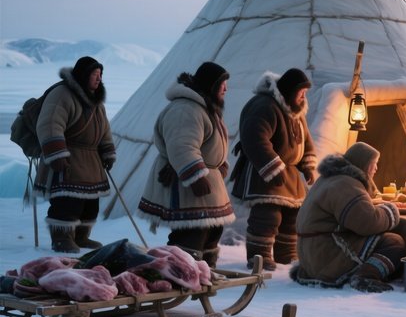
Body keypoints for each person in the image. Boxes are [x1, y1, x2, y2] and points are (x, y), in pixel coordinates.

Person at [137, 62, 235, 268]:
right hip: (187, 187)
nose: (226, 89)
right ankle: (178, 274)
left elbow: (210, 142)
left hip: (208, 185)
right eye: (222, 84)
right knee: (191, 235)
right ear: (211, 85)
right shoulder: (186, 109)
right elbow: (182, 145)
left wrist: (219, 163)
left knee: (211, 231)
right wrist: (196, 176)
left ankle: (204, 272)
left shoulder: (205, 107)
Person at [230, 68, 317, 270]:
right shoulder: (264, 106)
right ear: (289, 90)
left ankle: (285, 255)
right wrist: (272, 168)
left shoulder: (296, 110)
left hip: (289, 175)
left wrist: (307, 166)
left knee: (292, 216)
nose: (304, 96)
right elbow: (255, 139)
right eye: (301, 92)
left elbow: (306, 140)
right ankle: (258, 256)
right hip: (264, 174)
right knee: (267, 216)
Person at [290, 142, 404, 292]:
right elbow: (367, 223)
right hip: (326, 254)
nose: (376, 168)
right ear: (364, 164)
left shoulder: (330, 179)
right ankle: (365, 276)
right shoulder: (346, 184)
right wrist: (391, 211)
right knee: (393, 241)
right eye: (374, 164)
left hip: (312, 252)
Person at [34, 56, 116, 253]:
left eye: (100, 75)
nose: (99, 79)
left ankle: (81, 237)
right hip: (68, 156)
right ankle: (61, 238)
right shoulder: (62, 94)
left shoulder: (96, 102)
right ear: (83, 75)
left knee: (90, 203)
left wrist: (107, 152)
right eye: (94, 75)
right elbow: (50, 123)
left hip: (91, 159)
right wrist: (57, 154)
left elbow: (104, 130)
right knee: (67, 202)